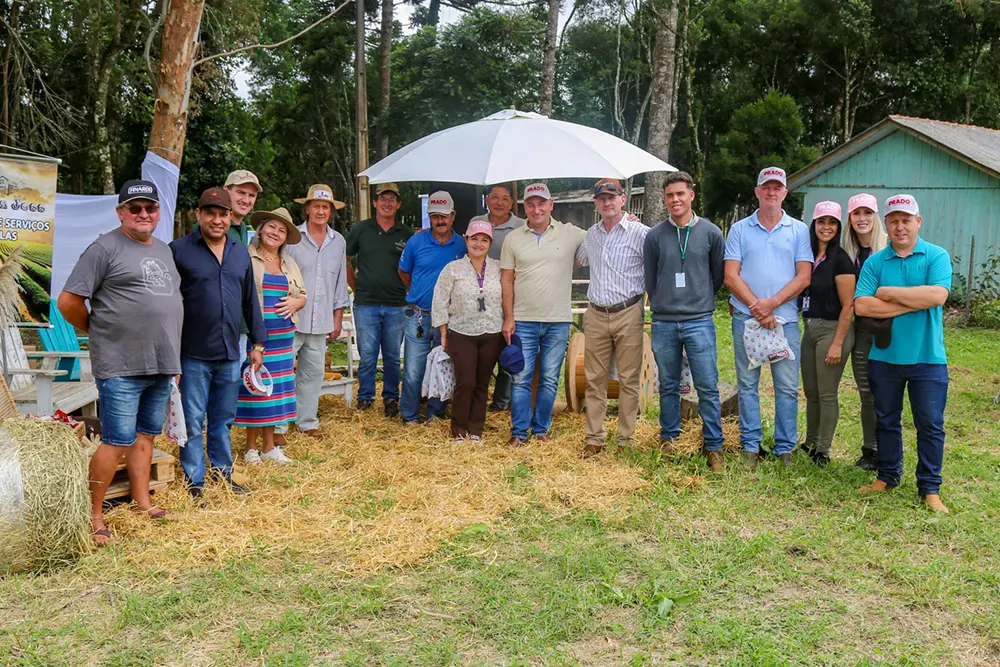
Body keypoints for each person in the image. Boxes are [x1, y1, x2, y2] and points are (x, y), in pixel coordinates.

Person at [58, 180, 183, 545]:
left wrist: (173, 359)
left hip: (161, 362)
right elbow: (68, 302)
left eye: (150, 208)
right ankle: (94, 515)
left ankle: (142, 503)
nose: (143, 214)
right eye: (135, 208)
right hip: (121, 364)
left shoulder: (163, 250)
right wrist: (99, 330)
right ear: (120, 213)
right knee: (115, 440)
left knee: (145, 436)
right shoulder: (103, 248)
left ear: (158, 212)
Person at [855, 194, 951, 513]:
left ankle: (930, 488)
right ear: (886, 224)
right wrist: (912, 303)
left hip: (928, 358)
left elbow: (937, 296)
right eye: (893, 220)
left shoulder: (936, 256)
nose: (900, 226)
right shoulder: (875, 262)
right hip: (884, 358)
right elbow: (862, 306)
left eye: (906, 220)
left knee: (930, 425)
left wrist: (889, 294)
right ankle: (887, 476)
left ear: (918, 222)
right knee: (886, 420)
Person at [171, 187, 267, 499]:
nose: (217, 220)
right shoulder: (179, 251)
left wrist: (258, 343)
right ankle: (194, 481)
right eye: (210, 213)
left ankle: (223, 473)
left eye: (222, 214)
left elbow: (250, 300)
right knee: (193, 419)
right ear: (198, 214)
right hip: (192, 352)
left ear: (230, 217)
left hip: (229, 350)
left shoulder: (239, 251)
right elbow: (168, 305)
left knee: (223, 418)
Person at [724, 166, 813, 469]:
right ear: (757, 192)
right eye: (766, 187)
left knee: (786, 386)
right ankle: (751, 445)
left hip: (784, 321)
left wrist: (771, 304)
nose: (771, 192)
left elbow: (804, 276)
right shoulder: (739, 229)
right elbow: (731, 275)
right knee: (747, 384)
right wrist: (756, 306)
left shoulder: (798, 230)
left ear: (785, 192)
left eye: (777, 187)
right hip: (746, 318)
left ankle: (784, 447)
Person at [644, 171, 726, 470]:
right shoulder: (655, 236)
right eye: (669, 195)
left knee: (707, 385)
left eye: (680, 193)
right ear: (665, 199)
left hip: (699, 320)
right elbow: (650, 279)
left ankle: (713, 445)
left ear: (691, 195)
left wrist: (697, 297)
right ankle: (670, 439)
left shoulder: (711, 233)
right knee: (668, 385)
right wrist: (665, 302)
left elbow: (717, 276)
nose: (675, 199)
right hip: (664, 321)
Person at [500, 182, 587, 447]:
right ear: (524, 207)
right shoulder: (513, 238)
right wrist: (508, 317)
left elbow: (603, 233)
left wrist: (627, 219)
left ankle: (541, 429)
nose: (536, 209)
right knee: (520, 378)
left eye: (541, 203)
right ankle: (519, 432)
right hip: (523, 319)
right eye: (530, 204)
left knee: (549, 378)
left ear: (551, 205)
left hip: (558, 320)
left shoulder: (570, 233)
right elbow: (506, 280)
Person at [579, 178, 648, 458]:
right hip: (596, 313)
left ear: (623, 199)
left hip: (628, 311)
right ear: (595, 203)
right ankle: (594, 438)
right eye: (601, 199)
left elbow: (658, 263)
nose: (607, 202)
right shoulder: (591, 235)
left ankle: (625, 440)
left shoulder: (640, 233)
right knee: (594, 379)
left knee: (629, 379)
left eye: (612, 197)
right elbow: (579, 258)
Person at [275, 184, 350, 441]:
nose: (320, 211)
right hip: (291, 316)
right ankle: (278, 426)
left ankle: (306, 422)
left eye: (325, 207)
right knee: (283, 371)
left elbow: (340, 281)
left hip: (321, 319)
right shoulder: (293, 238)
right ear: (307, 208)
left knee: (313, 373)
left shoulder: (338, 241)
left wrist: (337, 316)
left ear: (331, 211)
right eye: (316, 206)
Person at [235, 207, 307, 463]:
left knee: (274, 392)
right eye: (271, 227)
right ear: (261, 229)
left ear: (286, 237)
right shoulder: (245, 256)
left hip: (283, 338)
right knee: (255, 390)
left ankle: (269, 447)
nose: (275, 233)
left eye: (282, 230)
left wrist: (297, 303)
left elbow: (302, 295)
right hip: (257, 338)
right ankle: (250, 448)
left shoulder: (289, 263)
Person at [398, 191, 467, 425]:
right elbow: (403, 271)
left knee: (442, 366)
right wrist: (418, 292)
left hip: (448, 318)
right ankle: (409, 416)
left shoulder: (462, 244)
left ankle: (434, 415)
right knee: (413, 369)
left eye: (444, 216)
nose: (440, 221)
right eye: (435, 216)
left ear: (453, 216)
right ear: (429, 217)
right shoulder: (416, 242)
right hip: (419, 315)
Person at [432, 220, 504, 441]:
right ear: (466, 239)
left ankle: (476, 430)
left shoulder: (499, 268)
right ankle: (459, 430)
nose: (478, 244)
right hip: (462, 333)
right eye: (474, 238)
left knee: (482, 383)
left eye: (484, 240)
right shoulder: (453, 269)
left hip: (492, 332)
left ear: (490, 243)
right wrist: (443, 332)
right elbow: (440, 300)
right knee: (466, 382)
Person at [346, 182, 413, 417]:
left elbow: (413, 266)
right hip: (366, 304)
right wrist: (355, 288)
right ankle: (365, 398)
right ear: (375, 202)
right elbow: (346, 259)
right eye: (383, 198)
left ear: (398, 204)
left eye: (391, 199)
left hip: (397, 304)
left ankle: (391, 399)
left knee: (393, 356)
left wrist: (408, 291)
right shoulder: (361, 229)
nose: (387, 203)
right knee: (367, 356)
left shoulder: (406, 233)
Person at [798, 201, 857, 467]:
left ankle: (822, 450)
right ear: (814, 224)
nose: (826, 227)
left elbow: (848, 306)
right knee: (811, 392)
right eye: (822, 221)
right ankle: (810, 442)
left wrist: (837, 343)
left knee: (827, 393)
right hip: (809, 329)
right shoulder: (807, 255)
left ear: (838, 227)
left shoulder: (841, 260)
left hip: (832, 331)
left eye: (832, 222)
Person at [193, 170, 262, 365]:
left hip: (237, 327)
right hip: (209, 333)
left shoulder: (243, 229)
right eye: (240, 192)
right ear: (225, 190)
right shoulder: (210, 228)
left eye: (251, 195)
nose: (246, 200)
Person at [842, 193, 889, 470]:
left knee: (888, 393)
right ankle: (870, 450)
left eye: (868, 213)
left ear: (876, 217)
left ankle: (889, 450)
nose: (862, 219)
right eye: (857, 213)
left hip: (888, 332)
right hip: (861, 331)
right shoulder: (847, 254)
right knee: (866, 393)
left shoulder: (889, 250)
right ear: (850, 219)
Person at [470, 183, 526, 412]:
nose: (500, 203)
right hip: (481, 301)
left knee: (508, 348)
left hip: (512, 298)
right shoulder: (476, 222)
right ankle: (477, 401)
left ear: (512, 202)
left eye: (505, 198)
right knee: (481, 353)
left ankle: (501, 403)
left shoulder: (522, 226)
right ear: (487, 200)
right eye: (495, 197)